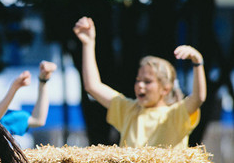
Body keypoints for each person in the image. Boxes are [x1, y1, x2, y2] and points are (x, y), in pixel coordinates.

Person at [73, 16, 207, 148]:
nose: (140, 85)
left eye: (147, 82)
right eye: (138, 80)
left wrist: (197, 62)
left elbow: (198, 97)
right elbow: (92, 86)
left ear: (165, 89)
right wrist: (88, 44)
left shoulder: (175, 114)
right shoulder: (128, 110)